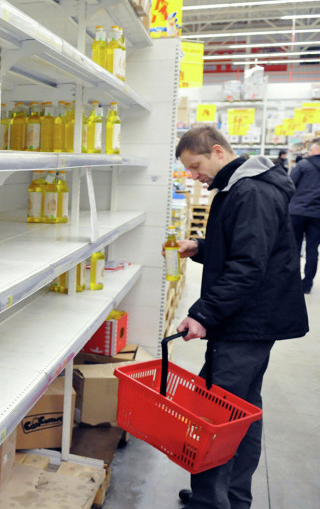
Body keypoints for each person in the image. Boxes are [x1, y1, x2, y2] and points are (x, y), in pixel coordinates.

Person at [171, 126, 308, 509]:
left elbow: (248, 265)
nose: (193, 176)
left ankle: (211, 501)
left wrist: (203, 314)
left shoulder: (251, 192)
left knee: (216, 412)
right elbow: (244, 246)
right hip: (250, 319)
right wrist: (201, 247)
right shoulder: (241, 187)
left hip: (247, 322)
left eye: (195, 166)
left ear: (218, 151)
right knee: (241, 411)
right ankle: (230, 495)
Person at [289, 137, 320, 293]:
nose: (308, 152)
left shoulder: (303, 165)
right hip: (317, 215)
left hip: (297, 212)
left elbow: (289, 184)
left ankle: (292, 281)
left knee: (294, 245)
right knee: (312, 249)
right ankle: (307, 284)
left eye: (311, 149)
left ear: (317, 151)